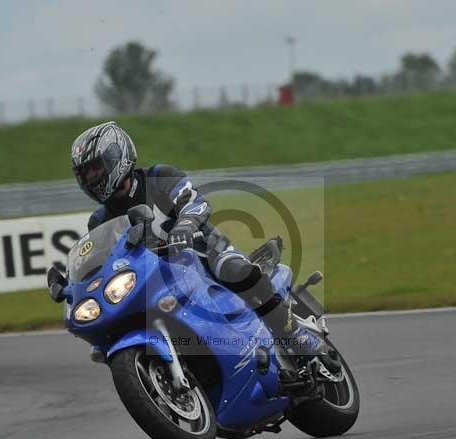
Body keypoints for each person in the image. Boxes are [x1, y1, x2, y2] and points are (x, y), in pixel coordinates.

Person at [59, 121, 339, 372]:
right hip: (156, 277)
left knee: (237, 270)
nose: (91, 178)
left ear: (116, 157)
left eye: (95, 168)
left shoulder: (158, 177)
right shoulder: (99, 220)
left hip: (203, 251)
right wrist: (71, 284)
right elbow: (104, 262)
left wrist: (184, 225)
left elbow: (196, 201)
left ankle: (295, 337)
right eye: (84, 174)